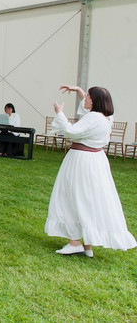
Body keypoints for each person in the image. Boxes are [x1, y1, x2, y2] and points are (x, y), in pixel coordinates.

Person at [46, 85, 136, 257]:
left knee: (73, 197)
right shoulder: (106, 118)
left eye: (87, 96)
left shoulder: (94, 118)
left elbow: (71, 131)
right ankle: (87, 244)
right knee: (88, 199)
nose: (85, 99)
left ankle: (75, 242)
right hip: (95, 161)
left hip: (81, 161)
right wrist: (79, 90)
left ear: (94, 101)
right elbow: (87, 115)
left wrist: (59, 113)